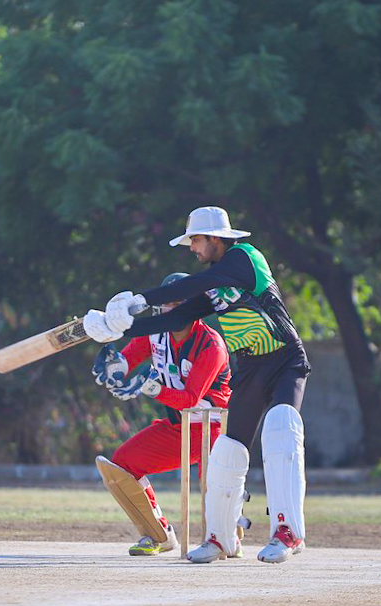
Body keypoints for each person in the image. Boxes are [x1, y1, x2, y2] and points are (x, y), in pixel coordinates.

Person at [84, 206, 311, 564]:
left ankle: (288, 531)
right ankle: (220, 539)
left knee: (280, 428)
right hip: (250, 367)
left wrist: (139, 300)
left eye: (195, 240)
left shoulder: (244, 258)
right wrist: (120, 328)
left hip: (284, 359)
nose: (192, 248)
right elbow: (176, 316)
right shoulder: (216, 283)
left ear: (215, 238)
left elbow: (192, 285)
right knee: (228, 451)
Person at [93, 272, 232, 556]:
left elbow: (190, 399)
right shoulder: (155, 334)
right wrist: (112, 367)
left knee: (215, 487)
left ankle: (230, 533)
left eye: (177, 303)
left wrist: (150, 387)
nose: (170, 310)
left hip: (212, 429)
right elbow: (127, 360)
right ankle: (159, 534)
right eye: (167, 303)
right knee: (123, 464)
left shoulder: (211, 345)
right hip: (177, 426)